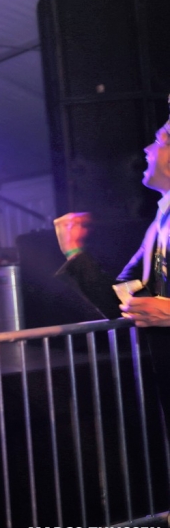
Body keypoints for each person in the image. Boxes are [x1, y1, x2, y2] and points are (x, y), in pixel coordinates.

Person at [53, 106, 170, 420]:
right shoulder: (159, 224)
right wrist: (74, 252)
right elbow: (120, 300)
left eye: (159, 140)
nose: (147, 149)